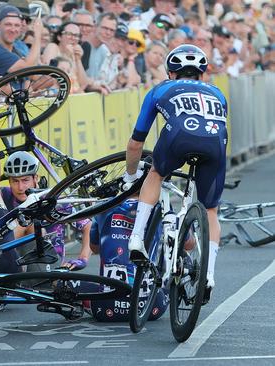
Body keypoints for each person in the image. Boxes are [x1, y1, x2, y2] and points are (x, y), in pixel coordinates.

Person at [124, 44, 227, 303]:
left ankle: (137, 239)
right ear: (202, 74)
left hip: (179, 139)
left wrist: (130, 175)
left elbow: (137, 142)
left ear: (171, 72)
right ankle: (209, 274)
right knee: (211, 210)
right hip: (215, 146)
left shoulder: (160, 89)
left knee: (156, 173)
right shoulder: (218, 93)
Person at [85, 197, 168, 322]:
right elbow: (189, 244)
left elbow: (95, 248)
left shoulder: (103, 205)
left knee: (65, 284)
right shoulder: (161, 205)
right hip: (152, 307)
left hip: (107, 307)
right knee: (178, 263)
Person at [0, 5, 43, 76]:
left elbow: (35, 78)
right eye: (8, 24)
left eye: (17, 25)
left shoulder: (16, 52)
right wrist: (37, 34)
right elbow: (27, 69)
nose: (13, 29)